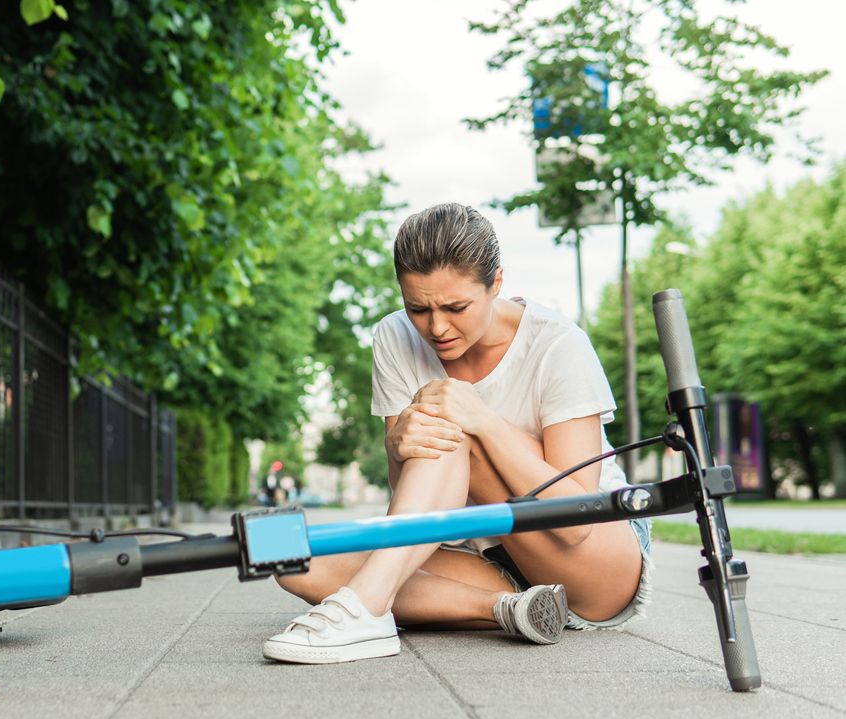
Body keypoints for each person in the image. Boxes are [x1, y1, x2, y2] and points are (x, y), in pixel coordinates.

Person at [264, 203, 653, 664]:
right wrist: (396, 445)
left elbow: (576, 522)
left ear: (497, 284)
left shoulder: (558, 345)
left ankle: (367, 609)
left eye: (456, 307)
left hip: (592, 553)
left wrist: (484, 423)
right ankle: (508, 609)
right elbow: (408, 501)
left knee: (450, 426)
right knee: (284, 554)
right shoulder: (394, 336)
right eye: (418, 308)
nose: (437, 327)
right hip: (482, 555)